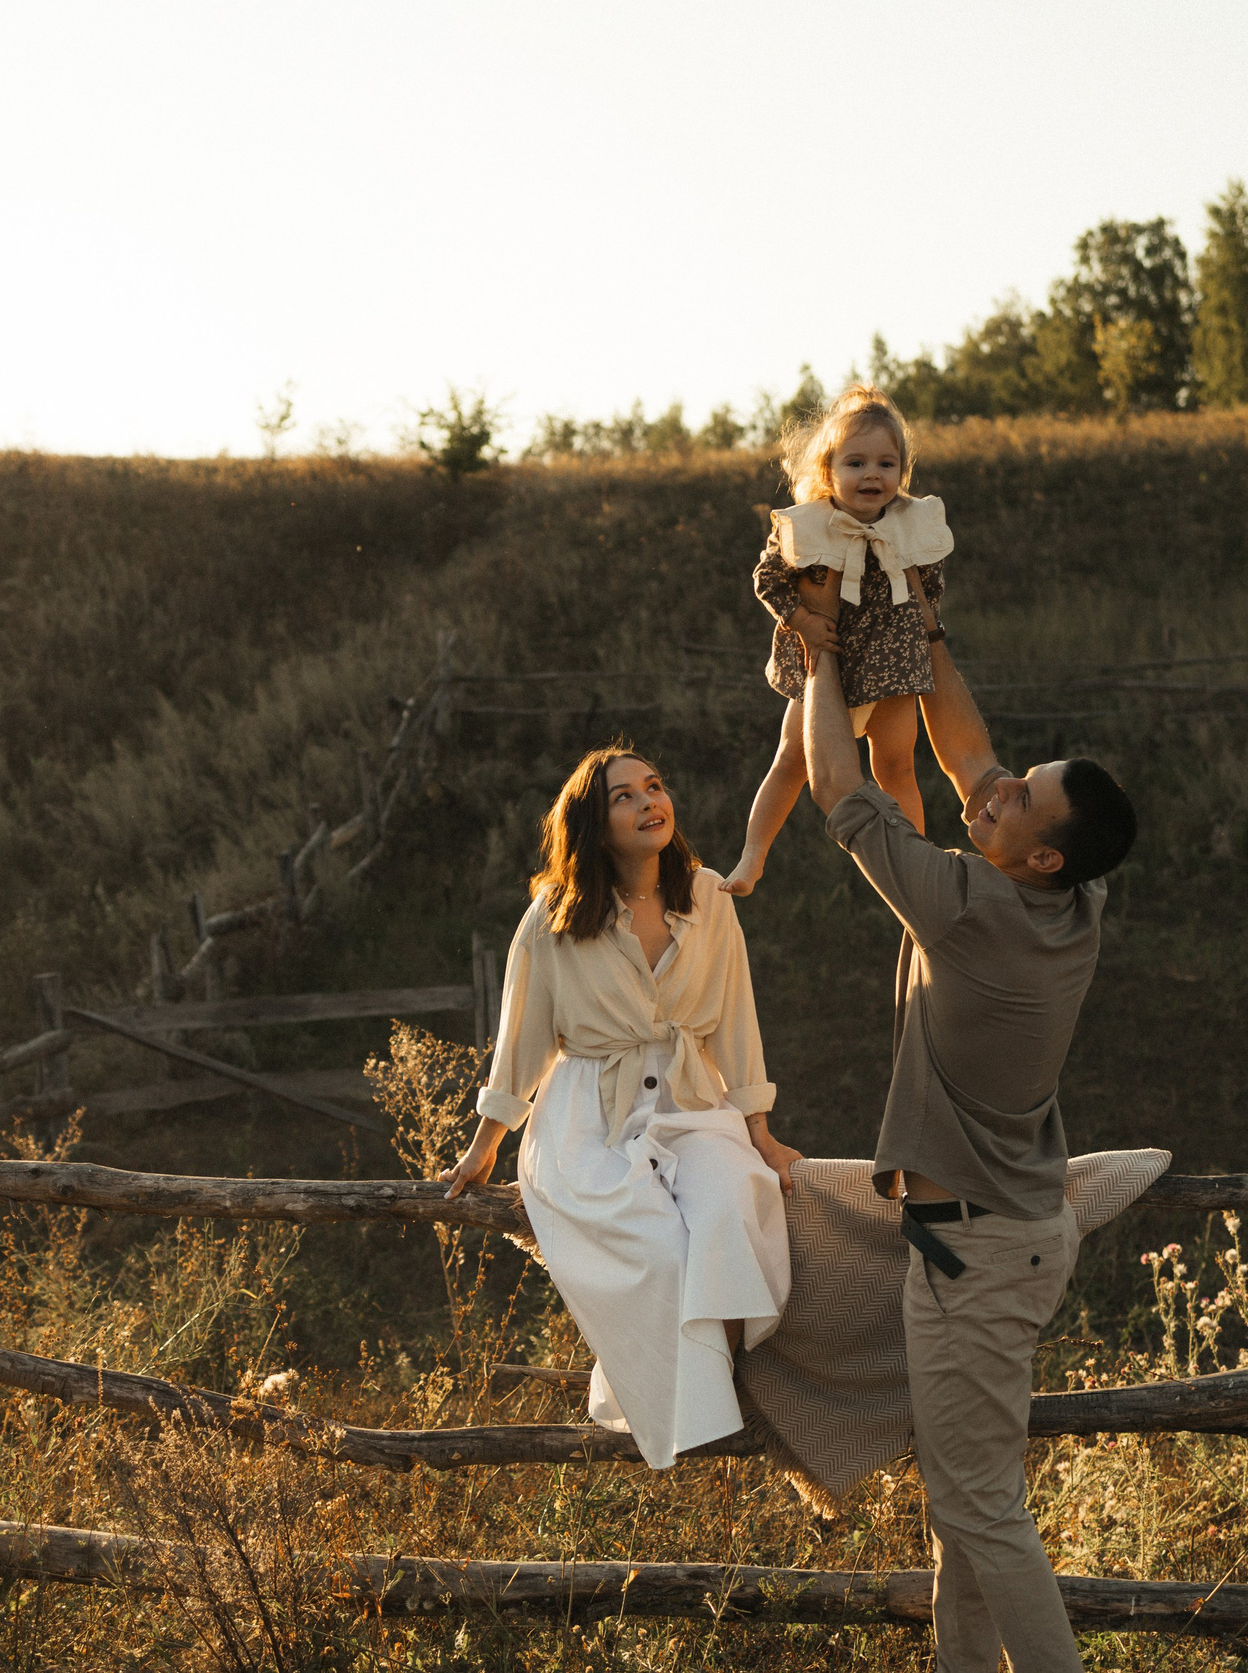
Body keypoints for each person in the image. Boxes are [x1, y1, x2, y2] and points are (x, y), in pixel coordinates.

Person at [797, 571, 1137, 1673]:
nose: (990, 793)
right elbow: (966, 753)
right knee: (961, 1503)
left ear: (1038, 852)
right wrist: (925, 631)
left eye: (1015, 802)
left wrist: (816, 660)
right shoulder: (1071, 897)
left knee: (983, 1505)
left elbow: (835, 780)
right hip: (977, 1232)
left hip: (976, 1245)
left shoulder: (967, 908)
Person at [438, 745, 805, 1468]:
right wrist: (486, 1144)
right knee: (657, 1249)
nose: (648, 803)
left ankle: (718, 1383)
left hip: (692, 1098)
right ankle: (703, 1425)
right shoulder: (554, 914)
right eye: (624, 798)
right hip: (588, 1113)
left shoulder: (708, 897)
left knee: (736, 1201)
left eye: (655, 787)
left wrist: (760, 1131)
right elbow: (522, 1039)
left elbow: (737, 1022)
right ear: (594, 825)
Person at [721, 383, 951, 896]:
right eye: (856, 463)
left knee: (896, 767)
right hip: (829, 668)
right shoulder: (809, 527)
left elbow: (929, 585)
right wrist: (799, 619)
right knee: (790, 762)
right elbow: (767, 579)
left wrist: (922, 629)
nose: (872, 474)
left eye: (886, 464)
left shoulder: (912, 525)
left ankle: (912, 866)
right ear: (828, 471)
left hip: (891, 670)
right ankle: (752, 858)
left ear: (901, 473)